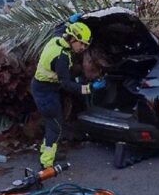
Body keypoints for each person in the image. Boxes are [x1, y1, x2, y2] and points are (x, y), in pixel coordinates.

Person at [32, 22, 106, 168]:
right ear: (72, 39)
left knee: (51, 122)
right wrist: (89, 88)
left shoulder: (57, 40)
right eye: (82, 44)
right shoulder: (61, 58)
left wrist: (70, 21)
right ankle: (46, 162)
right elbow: (66, 84)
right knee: (56, 126)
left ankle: (46, 152)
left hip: (41, 88)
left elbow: (58, 28)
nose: (83, 48)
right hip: (46, 93)